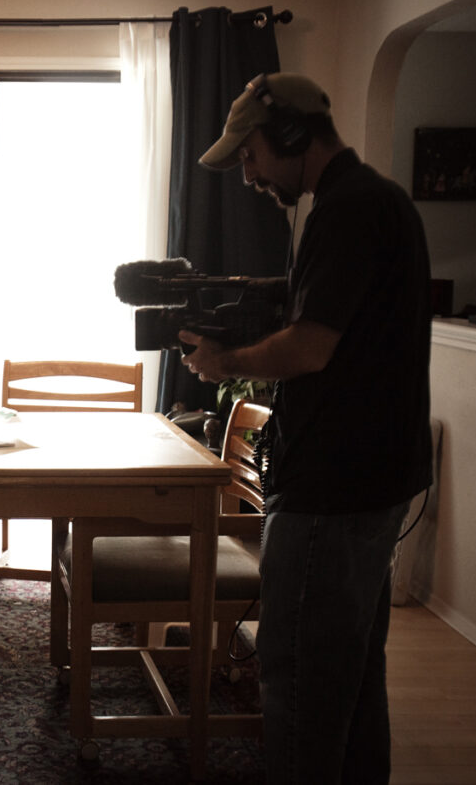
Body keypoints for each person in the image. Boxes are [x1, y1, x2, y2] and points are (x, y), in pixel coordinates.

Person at [182, 74, 433, 784]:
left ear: (290, 136)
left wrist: (225, 359)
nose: (249, 173)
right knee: (352, 673)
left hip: (334, 487)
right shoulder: (377, 202)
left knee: (297, 677)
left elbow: (311, 346)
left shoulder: (345, 211)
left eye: (252, 154)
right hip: (374, 480)